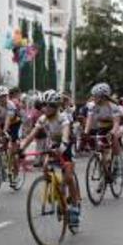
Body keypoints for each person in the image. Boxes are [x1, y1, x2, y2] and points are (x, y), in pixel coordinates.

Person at [18, 90, 82, 228]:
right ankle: (58, 192)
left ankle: (75, 206)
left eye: (50, 105)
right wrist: (22, 148)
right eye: (44, 105)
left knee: (68, 176)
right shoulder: (42, 119)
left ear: (56, 106)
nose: (46, 108)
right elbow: (32, 135)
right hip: (53, 144)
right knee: (46, 166)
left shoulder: (63, 118)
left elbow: (65, 136)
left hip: (67, 146)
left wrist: (61, 148)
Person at [84, 83, 123, 181]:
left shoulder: (113, 106)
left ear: (103, 97)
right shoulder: (92, 106)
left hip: (114, 127)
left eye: (96, 96)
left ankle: (117, 163)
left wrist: (112, 132)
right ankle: (103, 168)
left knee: (113, 138)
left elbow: (116, 123)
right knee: (100, 147)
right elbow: (89, 120)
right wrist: (85, 132)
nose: (94, 98)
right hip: (101, 128)